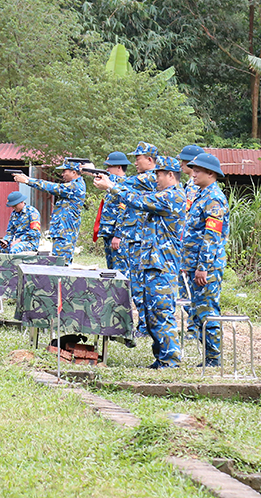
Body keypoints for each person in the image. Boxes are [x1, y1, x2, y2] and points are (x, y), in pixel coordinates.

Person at [94, 156, 185, 368]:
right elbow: (137, 194)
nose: (156, 179)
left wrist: (111, 186)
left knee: (161, 312)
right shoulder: (162, 194)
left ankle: (171, 359)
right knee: (152, 314)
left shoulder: (173, 196)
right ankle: (161, 357)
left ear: (170, 175)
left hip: (163, 266)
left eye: (159, 175)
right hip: (152, 264)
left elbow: (139, 201)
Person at [182, 152, 230, 367]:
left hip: (206, 268)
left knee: (207, 311)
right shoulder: (201, 195)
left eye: (198, 170)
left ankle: (213, 358)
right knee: (196, 311)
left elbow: (211, 237)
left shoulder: (214, 199)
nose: (193, 174)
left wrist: (203, 267)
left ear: (210, 173)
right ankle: (209, 356)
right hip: (194, 265)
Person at [112, 141, 158, 336]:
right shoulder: (142, 178)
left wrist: (109, 182)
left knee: (140, 286)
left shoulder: (151, 178)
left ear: (149, 159)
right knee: (136, 285)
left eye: (138, 158)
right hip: (135, 239)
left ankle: (145, 326)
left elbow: (125, 183)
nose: (135, 162)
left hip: (143, 241)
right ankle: (142, 325)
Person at [13, 158, 85, 264]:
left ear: (74, 172)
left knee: (61, 264)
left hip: (66, 234)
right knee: (58, 263)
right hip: (63, 232)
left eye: (64, 171)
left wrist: (28, 181)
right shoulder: (74, 185)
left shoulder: (75, 186)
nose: (62, 174)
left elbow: (53, 187)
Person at [177, 144, 206, 336]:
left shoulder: (199, 190)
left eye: (184, 161)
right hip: (186, 246)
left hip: (196, 249)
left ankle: (195, 327)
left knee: (195, 293)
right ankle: (192, 326)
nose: (180, 164)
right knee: (184, 290)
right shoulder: (188, 185)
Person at [95, 151, 130, 274]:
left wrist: (118, 235)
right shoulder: (112, 186)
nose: (107, 170)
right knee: (111, 272)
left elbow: (124, 211)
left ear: (119, 167)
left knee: (120, 272)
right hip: (109, 234)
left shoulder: (124, 185)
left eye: (110, 167)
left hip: (117, 236)